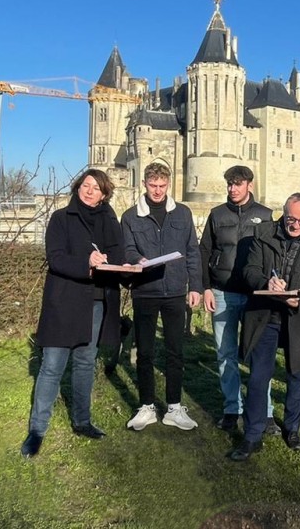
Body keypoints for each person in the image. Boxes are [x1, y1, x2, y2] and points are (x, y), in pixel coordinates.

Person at [21, 169, 125, 458]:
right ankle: (37, 430)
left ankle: (82, 421)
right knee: (52, 366)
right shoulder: (61, 218)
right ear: (78, 187)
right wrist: (86, 262)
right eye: (85, 185)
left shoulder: (109, 219)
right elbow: (55, 259)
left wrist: (126, 263)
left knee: (84, 363)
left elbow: (118, 253)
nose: (89, 191)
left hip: (96, 302)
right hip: (64, 302)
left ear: (104, 195)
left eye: (96, 188)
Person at [230, 193, 300, 461]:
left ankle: (293, 430)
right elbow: (249, 271)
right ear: (282, 213)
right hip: (265, 314)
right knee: (259, 377)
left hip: (299, 315)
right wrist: (265, 283)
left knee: (297, 375)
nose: (295, 225)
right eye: (290, 219)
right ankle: (252, 435)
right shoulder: (262, 233)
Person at [121, 162, 203, 431]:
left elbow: (192, 250)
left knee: (175, 351)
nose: (157, 191)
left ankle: (174, 407)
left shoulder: (182, 213)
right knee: (145, 351)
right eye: (153, 185)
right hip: (145, 290)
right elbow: (128, 249)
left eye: (162, 186)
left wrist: (195, 287)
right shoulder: (131, 216)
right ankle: (146, 406)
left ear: (168, 184)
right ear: (145, 184)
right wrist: (137, 259)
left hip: (176, 291)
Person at [199, 165, 280, 434]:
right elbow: (205, 251)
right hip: (223, 292)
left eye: (238, 183)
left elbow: (272, 255)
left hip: (255, 295)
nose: (233, 189)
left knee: (260, 354)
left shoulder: (265, 216)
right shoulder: (217, 214)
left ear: (250, 185)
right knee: (225, 354)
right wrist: (206, 287)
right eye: (230, 184)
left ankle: (264, 412)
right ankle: (232, 408)